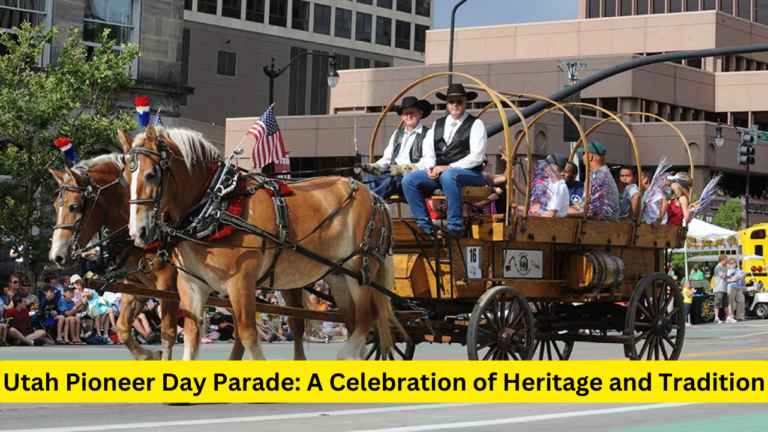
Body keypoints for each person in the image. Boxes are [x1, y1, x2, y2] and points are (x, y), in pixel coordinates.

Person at [402, 83, 487, 237]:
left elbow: (477, 157)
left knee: (450, 175)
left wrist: (448, 167)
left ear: (466, 102)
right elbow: (429, 151)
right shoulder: (437, 124)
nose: (455, 105)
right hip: (442, 173)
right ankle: (425, 227)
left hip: (471, 174)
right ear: (447, 103)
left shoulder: (476, 124)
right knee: (409, 180)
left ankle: (455, 226)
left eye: (459, 101)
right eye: (451, 101)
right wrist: (430, 167)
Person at [362, 96, 432, 199]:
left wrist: (403, 169)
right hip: (392, 174)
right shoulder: (397, 134)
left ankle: (371, 202)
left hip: (411, 177)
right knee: (368, 180)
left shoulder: (428, 134)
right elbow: (387, 158)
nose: (409, 116)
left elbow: (426, 162)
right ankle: (370, 202)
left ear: (420, 114)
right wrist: (374, 166)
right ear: (402, 117)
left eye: (412, 112)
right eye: (405, 113)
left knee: (392, 181)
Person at [569, 141, 620, 221]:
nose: (583, 157)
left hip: (601, 227)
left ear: (590, 157)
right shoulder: (601, 173)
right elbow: (586, 205)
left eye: (584, 154)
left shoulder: (598, 177)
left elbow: (595, 215)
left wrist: (564, 215)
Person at [712, 254, 729, 324]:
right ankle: (716, 318)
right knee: (717, 303)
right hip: (719, 288)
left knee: (725, 304)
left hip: (724, 288)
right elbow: (723, 275)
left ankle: (728, 317)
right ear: (722, 260)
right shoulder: (718, 267)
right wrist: (727, 269)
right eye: (725, 260)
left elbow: (725, 276)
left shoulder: (722, 267)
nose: (726, 261)